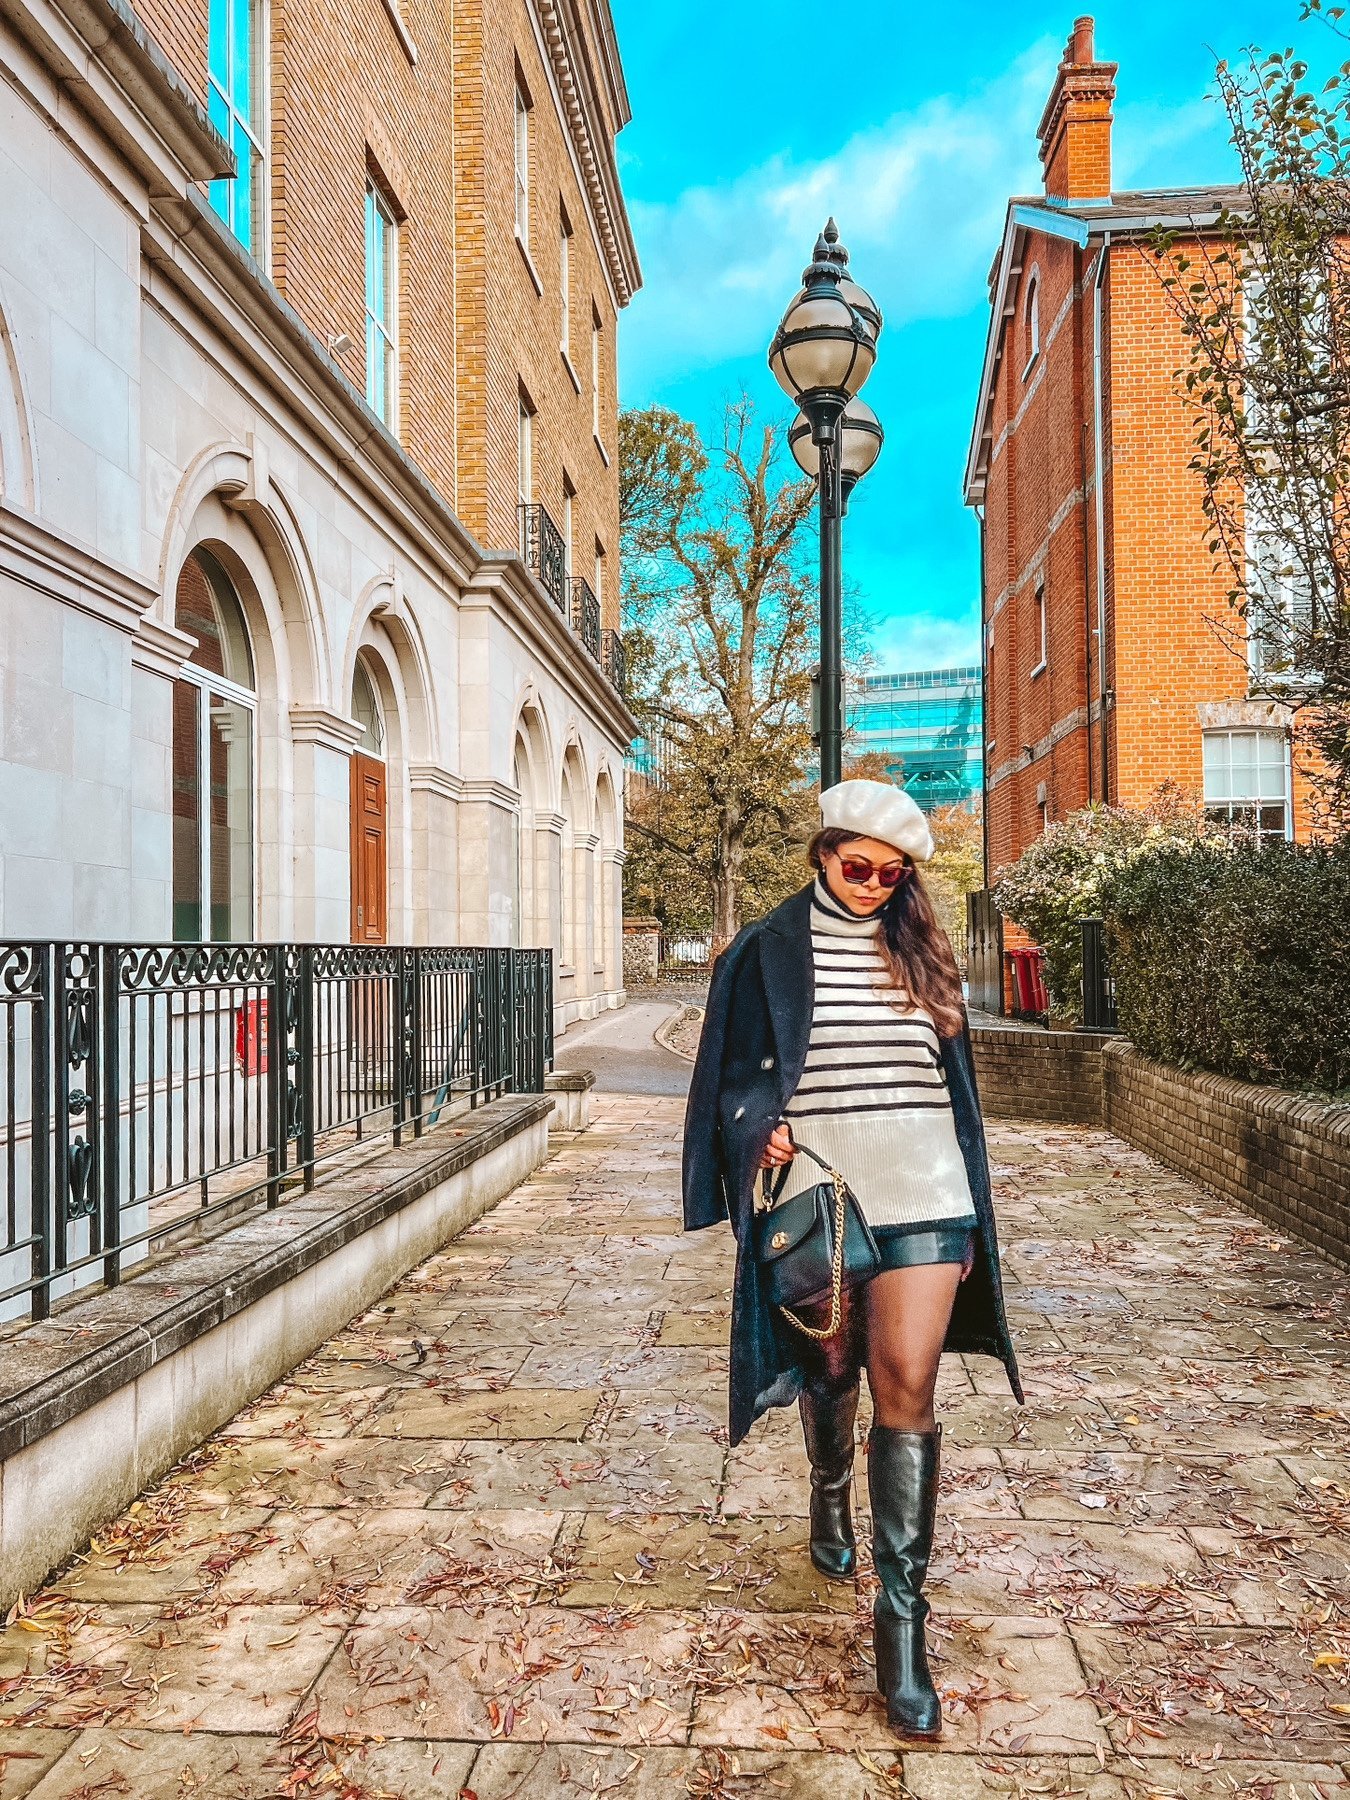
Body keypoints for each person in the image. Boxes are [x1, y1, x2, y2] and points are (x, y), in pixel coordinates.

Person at [682, 778, 1022, 1739]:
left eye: (892, 872)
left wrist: (971, 1218)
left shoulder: (921, 951)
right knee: (833, 1368)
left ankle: (901, 1625)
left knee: (906, 1380)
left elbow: (950, 1088)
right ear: (823, 854)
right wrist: (763, 1135)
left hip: (925, 1189)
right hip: (820, 1190)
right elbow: (727, 1085)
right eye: (857, 865)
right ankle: (830, 1490)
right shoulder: (762, 952)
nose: (874, 883)